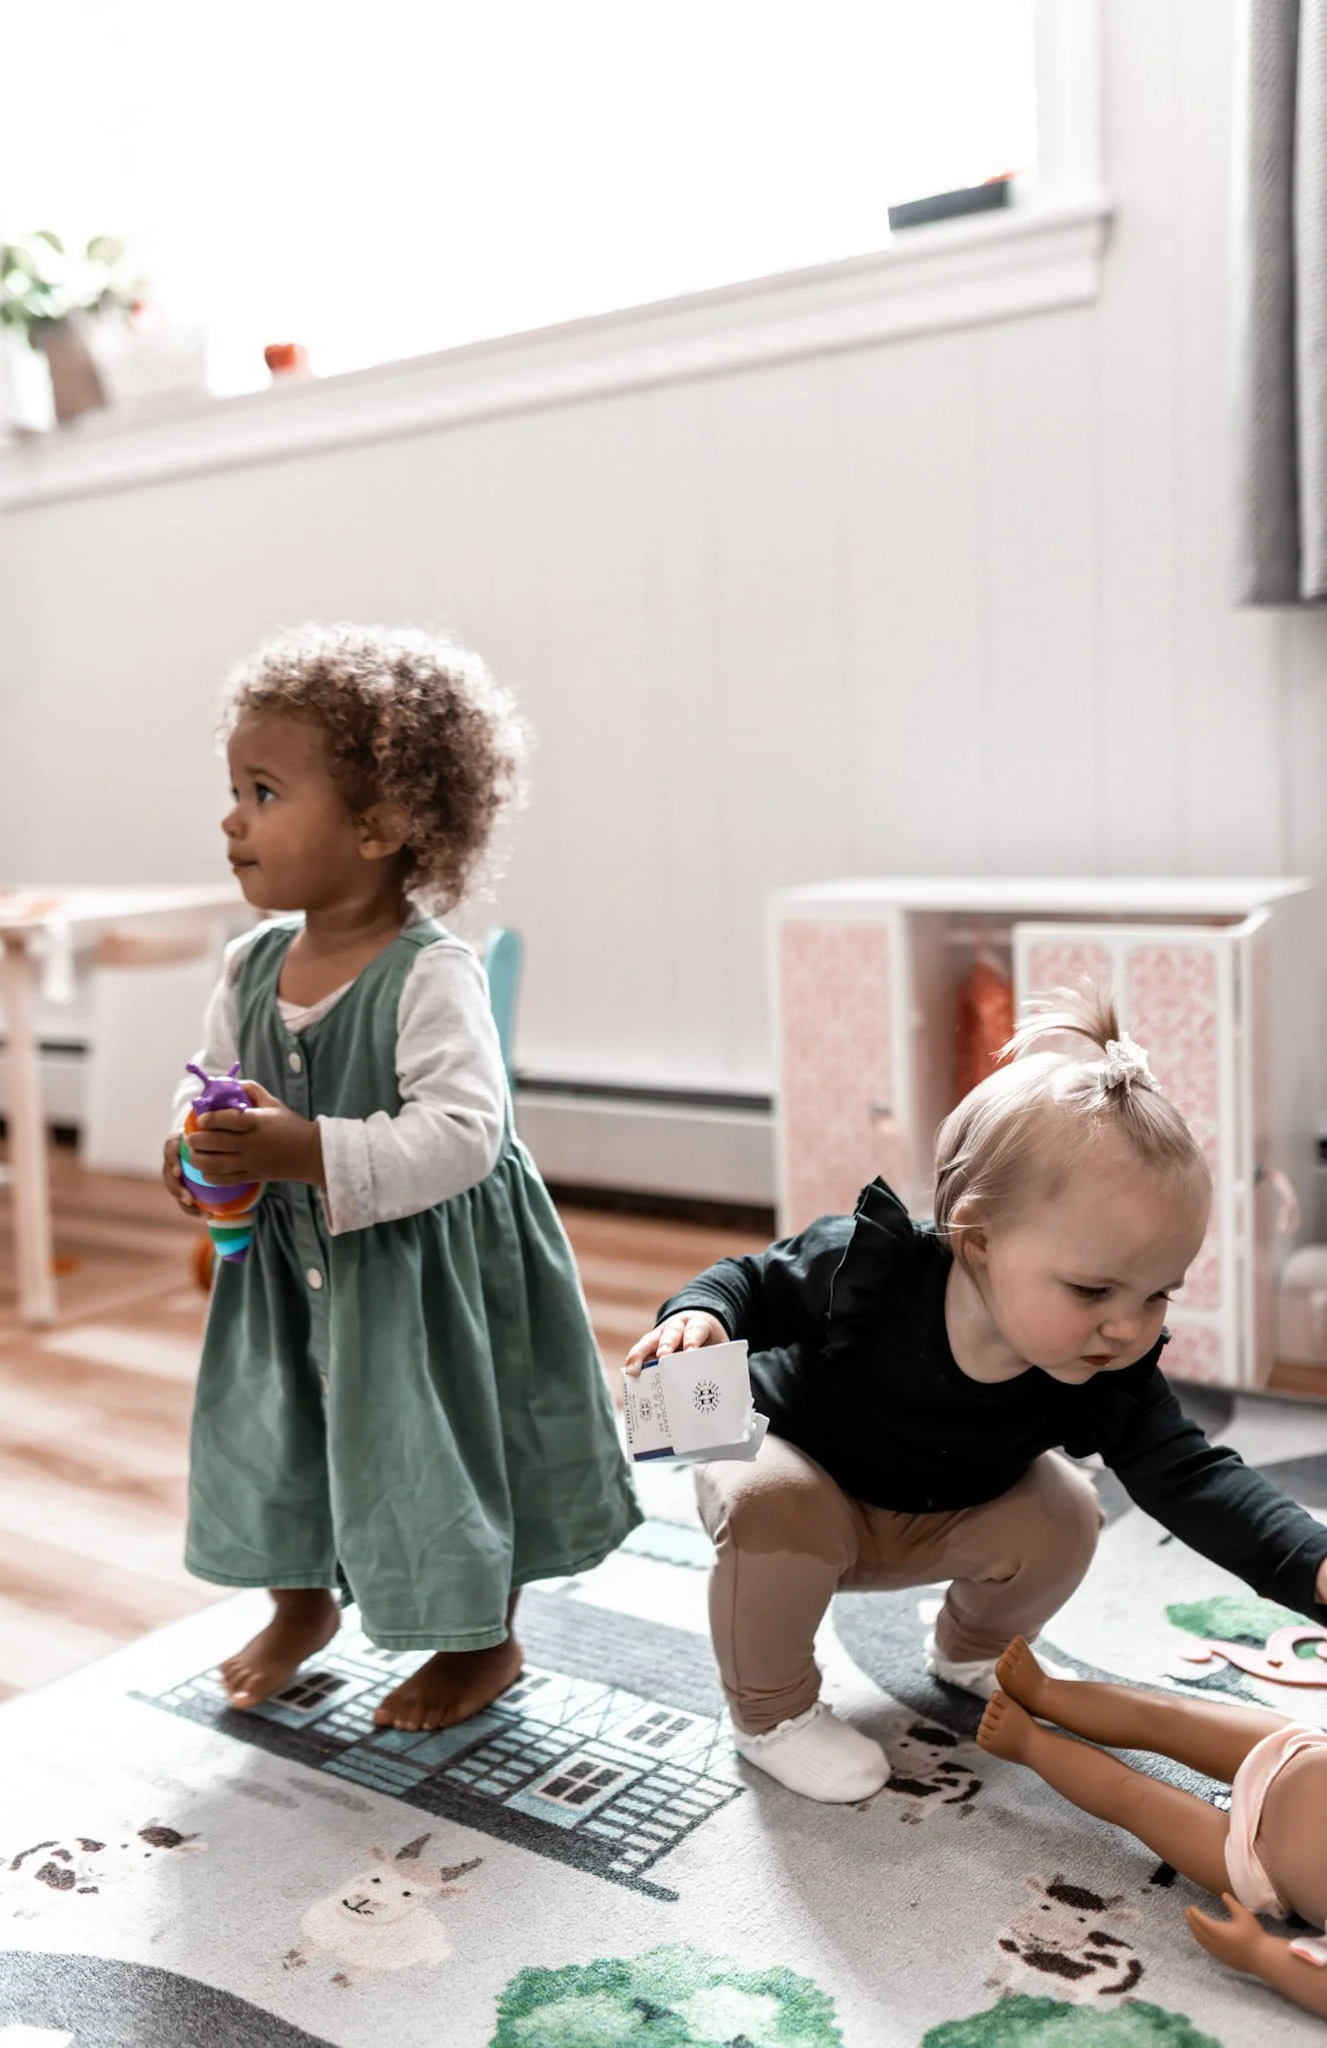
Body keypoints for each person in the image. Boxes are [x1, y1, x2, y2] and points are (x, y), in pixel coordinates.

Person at [625, 989, 1327, 1804]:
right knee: (773, 1501)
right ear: (978, 1235)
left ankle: (970, 1649)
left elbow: (1192, 1475)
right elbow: (745, 1278)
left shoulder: (1102, 1367)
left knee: (1066, 1509)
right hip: (805, 1492)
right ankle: (770, 1716)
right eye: (1093, 1289)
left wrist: (1309, 1563)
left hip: (945, 1512)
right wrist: (697, 1318)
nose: (1126, 1327)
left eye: (1156, 1295)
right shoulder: (871, 1270)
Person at [165, 623, 639, 1731]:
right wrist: (195, 1153)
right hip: (288, 1268)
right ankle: (298, 1602)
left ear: (377, 826)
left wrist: (308, 1149)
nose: (233, 818)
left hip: (424, 1280)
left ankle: (484, 1639)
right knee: (277, 1435)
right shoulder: (250, 964)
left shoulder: (433, 976)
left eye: (266, 791)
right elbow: (214, 1086)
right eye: (234, 789)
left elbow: (466, 1133)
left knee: (445, 1449)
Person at [978, 1636, 1327, 2019]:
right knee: (1168, 1715)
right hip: (1298, 1754)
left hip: (1257, 1862)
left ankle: (1028, 1744)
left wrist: (1260, 1953)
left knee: (1134, 1799)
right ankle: (1045, 1692)